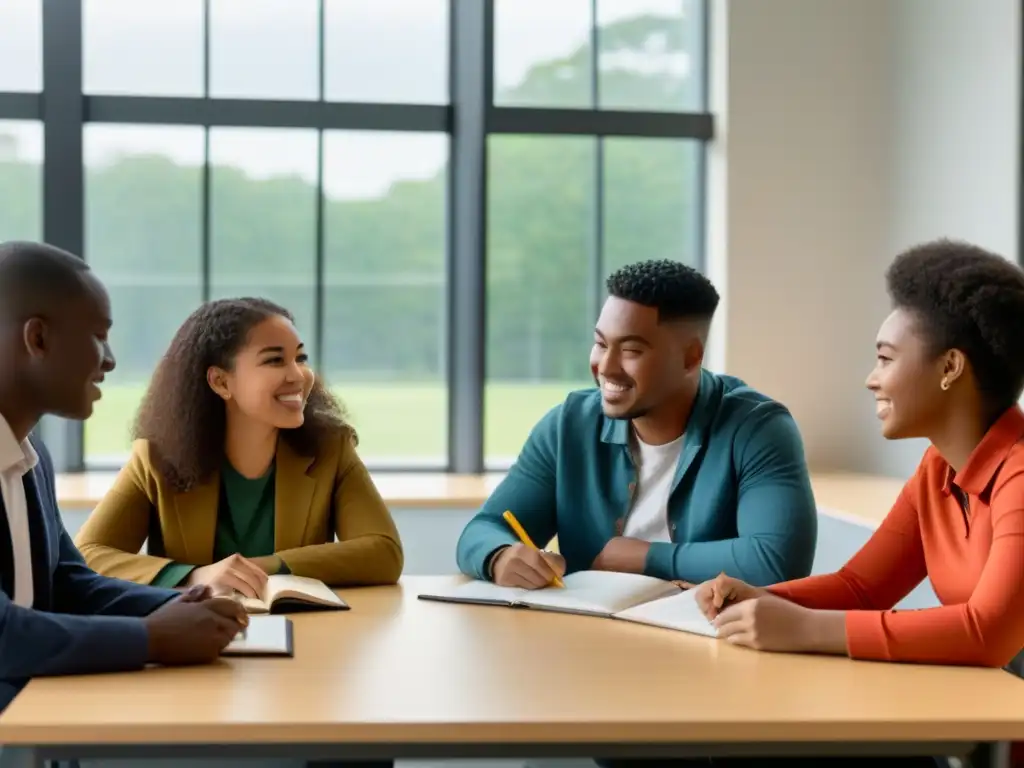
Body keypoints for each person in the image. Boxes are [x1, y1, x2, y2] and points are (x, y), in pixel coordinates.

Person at [690, 238, 1024, 767]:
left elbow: (987, 633)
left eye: (885, 359)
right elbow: (861, 588)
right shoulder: (938, 468)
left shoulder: (1021, 473)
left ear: (951, 367)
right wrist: (763, 599)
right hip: (977, 720)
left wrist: (800, 627)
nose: (871, 379)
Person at [456, 259, 818, 590]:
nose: (606, 368)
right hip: (586, 642)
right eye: (601, 344)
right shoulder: (567, 426)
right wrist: (499, 556)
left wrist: (643, 556)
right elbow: (482, 530)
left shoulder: (759, 429)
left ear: (690, 358)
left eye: (631, 350)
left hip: (710, 649)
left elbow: (777, 561)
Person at [0, 240, 248, 713]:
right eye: (98, 335)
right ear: (38, 339)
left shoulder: (31, 455)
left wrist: (176, 606)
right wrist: (151, 637)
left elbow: (68, 581)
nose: (109, 360)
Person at [74, 297, 404, 596]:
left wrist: (263, 568)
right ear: (220, 381)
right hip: (191, 637)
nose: (299, 375)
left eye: (300, 358)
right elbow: (87, 554)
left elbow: (383, 552)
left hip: (303, 632)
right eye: (275, 361)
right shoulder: (157, 457)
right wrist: (193, 577)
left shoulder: (331, 448)